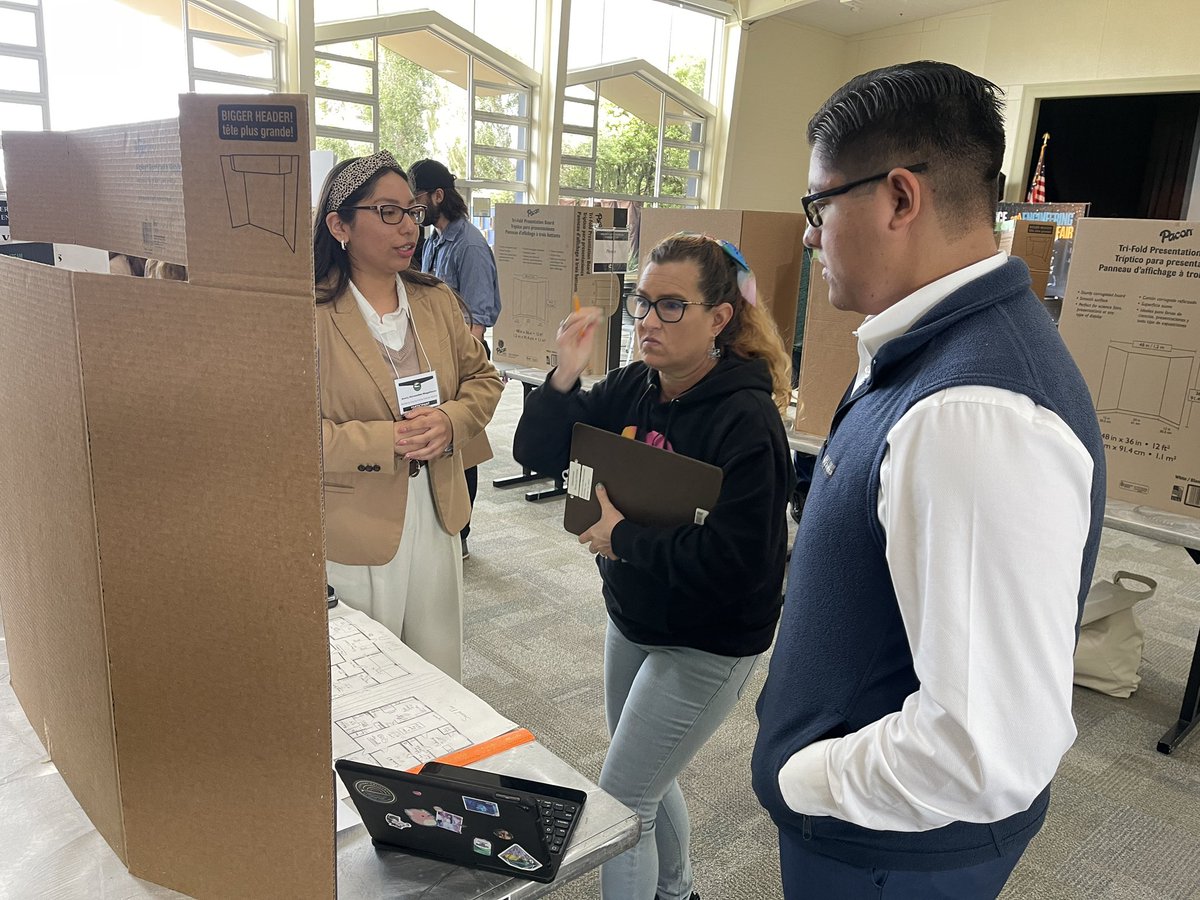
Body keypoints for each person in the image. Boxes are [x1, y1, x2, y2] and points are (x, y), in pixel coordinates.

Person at [751, 61, 1106, 899]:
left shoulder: (970, 414)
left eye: (818, 205)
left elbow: (986, 748)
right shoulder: (933, 356)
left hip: (890, 851)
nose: (808, 234)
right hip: (874, 835)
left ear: (898, 198)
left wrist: (801, 779)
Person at [513, 232, 794, 900]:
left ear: (719, 319)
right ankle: (679, 891)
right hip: (635, 615)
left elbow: (741, 565)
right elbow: (535, 450)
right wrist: (562, 373)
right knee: (644, 773)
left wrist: (626, 540)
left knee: (622, 801)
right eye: (642, 302)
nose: (647, 320)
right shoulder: (635, 385)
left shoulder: (748, 421)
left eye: (671, 306)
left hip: (710, 639)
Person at [314, 150, 502, 682]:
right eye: (388, 212)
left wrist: (450, 421)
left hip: (438, 510)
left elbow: (483, 381)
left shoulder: (436, 301)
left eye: (412, 213)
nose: (409, 228)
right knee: (366, 681)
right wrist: (384, 440)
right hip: (357, 522)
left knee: (438, 673)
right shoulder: (310, 316)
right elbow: (284, 436)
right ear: (339, 224)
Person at [408, 158, 502, 559]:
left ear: (437, 196)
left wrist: (460, 366)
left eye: (416, 200)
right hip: (429, 362)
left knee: (463, 446)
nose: (412, 210)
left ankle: (461, 536)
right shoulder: (431, 239)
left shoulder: (470, 245)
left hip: (461, 360)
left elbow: (479, 316)